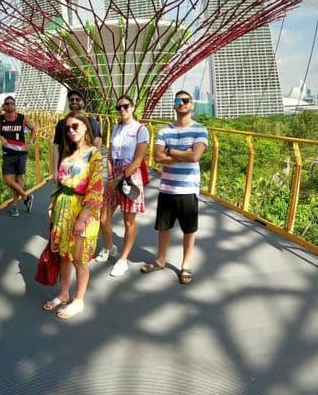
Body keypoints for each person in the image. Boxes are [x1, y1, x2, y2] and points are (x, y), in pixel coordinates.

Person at [142, 91, 208, 284]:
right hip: (167, 188)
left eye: (185, 101)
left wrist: (169, 151)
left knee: (189, 229)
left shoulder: (200, 130)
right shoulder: (164, 131)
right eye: (178, 101)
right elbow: (157, 157)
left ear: (192, 105)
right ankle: (160, 260)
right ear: (174, 105)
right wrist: (181, 153)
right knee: (164, 227)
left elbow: (195, 157)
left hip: (188, 190)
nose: (181, 104)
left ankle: (185, 265)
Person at [43, 112, 104, 318]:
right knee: (63, 254)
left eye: (75, 126)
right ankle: (64, 293)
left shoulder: (94, 154)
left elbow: (96, 188)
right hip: (63, 207)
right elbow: (60, 184)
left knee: (79, 258)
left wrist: (83, 217)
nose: (71, 131)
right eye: (68, 128)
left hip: (83, 210)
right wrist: (53, 206)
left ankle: (79, 300)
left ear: (86, 127)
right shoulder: (69, 154)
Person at [97, 95, 150, 278]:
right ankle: (109, 247)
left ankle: (123, 259)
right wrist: (111, 177)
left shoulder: (141, 130)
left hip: (130, 178)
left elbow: (137, 161)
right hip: (114, 177)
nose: (122, 110)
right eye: (118, 107)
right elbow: (110, 156)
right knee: (103, 218)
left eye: (125, 106)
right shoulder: (116, 128)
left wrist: (118, 178)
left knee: (129, 221)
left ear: (133, 107)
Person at [0, 95, 36, 216]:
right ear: (3, 106)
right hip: (8, 153)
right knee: (8, 180)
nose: (10, 105)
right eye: (7, 103)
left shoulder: (22, 118)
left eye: (12, 103)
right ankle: (26, 197)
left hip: (21, 152)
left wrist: (30, 142)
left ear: (15, 105)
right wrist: (0, 137)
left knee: (19, 179)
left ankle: (15, 207)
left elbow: (34, 129)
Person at [50, 89, 103, 178]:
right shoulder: (62, 123)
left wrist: (97, 171)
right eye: (71, 99)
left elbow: (97, 148)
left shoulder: (93, 123)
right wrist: (54, 171)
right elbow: (56, 147)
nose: (74, 101)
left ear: (83, 103)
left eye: (78, 99)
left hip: (85, 170)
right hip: (65, 170)